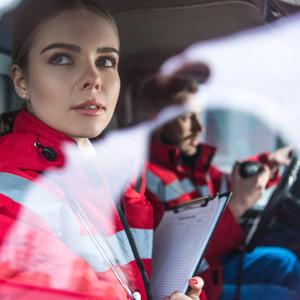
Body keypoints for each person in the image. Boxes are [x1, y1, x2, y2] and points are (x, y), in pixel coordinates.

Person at [0, 1, 206, 299]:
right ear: (21, 81)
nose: (94, 79)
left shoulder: (123, 176)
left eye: (106, 61)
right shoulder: (8, 192)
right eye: (61, 58)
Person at [133, 75, 300, 300]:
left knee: (285, 261)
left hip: (216, 268)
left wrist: (269, 161)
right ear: (157, 119)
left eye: (199, 117)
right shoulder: (143, 178)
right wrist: (238, 206)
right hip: (196, 286)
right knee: (284, 296)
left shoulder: (190, 163)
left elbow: (230, 182)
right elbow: (173, 262)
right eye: (186, 119)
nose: (199, 128)